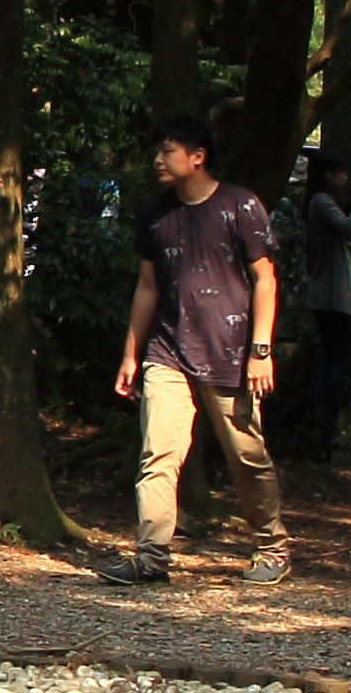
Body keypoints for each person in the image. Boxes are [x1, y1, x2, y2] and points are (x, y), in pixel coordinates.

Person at [109, 112, 290, 584]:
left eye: (168, 151)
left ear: (198, 156)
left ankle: (271, 548)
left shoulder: (239, 206)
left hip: (231, 354)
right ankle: (151, 558)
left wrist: (261, 349)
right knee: (158, 456)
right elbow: (147, 287)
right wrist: (131, 352)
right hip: (167, 352)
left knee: (247, 456)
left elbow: (265, 279)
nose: (158, 160)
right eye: (157, 151)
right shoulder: (155, 213)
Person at [276, 164, 351, 468]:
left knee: (335, 361)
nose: (345, 176)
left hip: (331, 294)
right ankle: (317, 424)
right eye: (340, 172)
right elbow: (349, 227)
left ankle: (314, 424)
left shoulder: (318, 203)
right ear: (328, 175)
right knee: (339, 362)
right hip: (331, 297)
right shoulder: (321, 202)